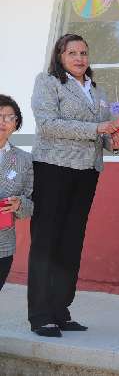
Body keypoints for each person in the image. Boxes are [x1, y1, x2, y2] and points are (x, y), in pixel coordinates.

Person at [28, 33, 119, 337]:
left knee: (71, 241)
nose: (80, 58)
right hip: (53, 170)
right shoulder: (47, 82)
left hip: (86, 172)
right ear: (60, 56)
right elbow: (47, 124)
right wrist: (97, 128)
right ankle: (40, 314)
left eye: (84, 52)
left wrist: (115, 140)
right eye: (73, 53)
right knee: (47, 242)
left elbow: (106, 134)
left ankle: (61, 309)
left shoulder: (97, 90)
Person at [0, 95, 33, 291]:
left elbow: (31, 204)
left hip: (2, 244)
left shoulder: (25, 160)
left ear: (16, 123)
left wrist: (19, 204)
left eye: (8, 117)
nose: (2, 121)